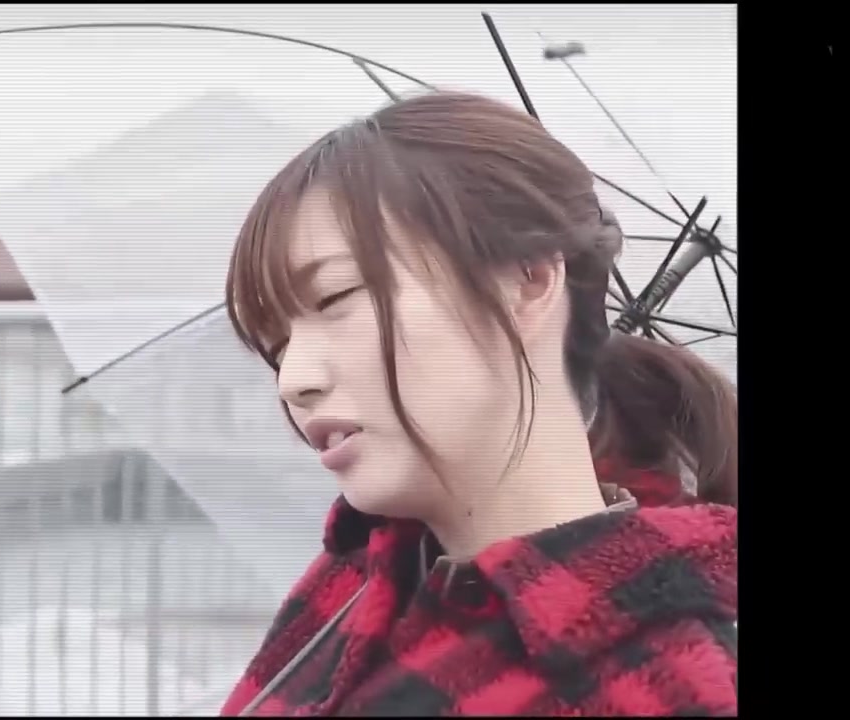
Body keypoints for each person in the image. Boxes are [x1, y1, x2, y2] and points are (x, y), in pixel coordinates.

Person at [218, 90, 737, 716]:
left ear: (529, 280)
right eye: (276, 345)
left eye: (335, 297)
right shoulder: (352, 586)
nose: (293, 380)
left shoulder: (662, 685)